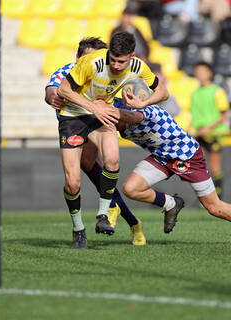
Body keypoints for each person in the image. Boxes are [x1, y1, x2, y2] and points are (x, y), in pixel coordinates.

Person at [56, 31, 169, 249]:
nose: (116, 66)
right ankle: (78, 229)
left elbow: (163, 93)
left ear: (132, 56)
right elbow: (63, 89)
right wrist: (93, 107)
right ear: (109, 54)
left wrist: (142, 104)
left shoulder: (138, 66)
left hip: (102, 114)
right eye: (113, 60)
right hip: (73, 116)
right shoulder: (92, 62)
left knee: (113, 160)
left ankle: (102, 214)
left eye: (121, 61)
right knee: (73, 182)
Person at [111, 77, 231, 232]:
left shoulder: (145, 110)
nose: (110, 121)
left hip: (187, 155)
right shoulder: (122, 128)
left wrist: (116, 112)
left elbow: (136, 117)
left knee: (214, 207)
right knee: (131, 189)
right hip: (162, 157)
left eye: (113, 117)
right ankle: (171, 203)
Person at [190, 61, 230, 200]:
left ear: (210, 73)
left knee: (214, 168)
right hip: (198, 134)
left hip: (213, 134)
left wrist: (208, 127)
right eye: (197, 71)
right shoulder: (195, 93)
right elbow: (194, 115)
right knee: (197, 166)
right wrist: (191, 129)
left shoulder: (217, 91)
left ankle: (218, 197)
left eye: (202, 71)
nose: (199, 74)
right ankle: (206, 197)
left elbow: (224, 115)